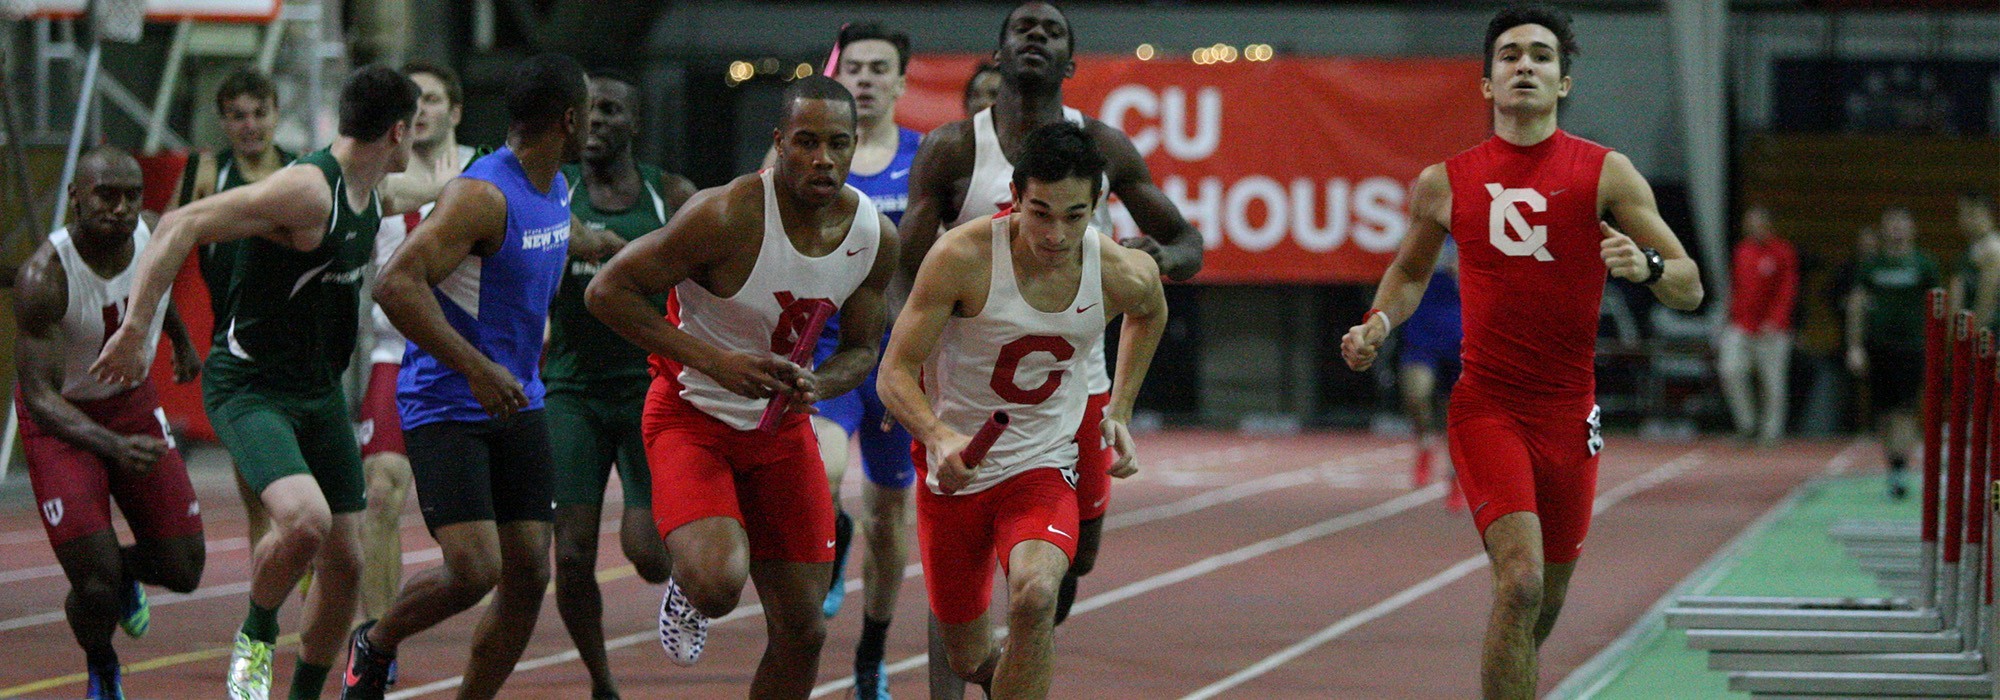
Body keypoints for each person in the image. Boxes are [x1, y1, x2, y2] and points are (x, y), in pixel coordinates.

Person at [1339, 5, 1703, 697]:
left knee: (1540, 609)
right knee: (1521, 583)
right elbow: (1409, 273)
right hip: (1488, 408)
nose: (1525, 66)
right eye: (1509, 56)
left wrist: (1648, 265)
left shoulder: (1607, 173)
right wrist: (1377, 324)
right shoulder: (1445, 182)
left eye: (1541, 55)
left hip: (1569, 416)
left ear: (1563, 82)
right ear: (1487, 84)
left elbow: (1690, 286)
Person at [90, 65, 424, 700]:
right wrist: (137, 329)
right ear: (398, 132)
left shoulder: (373, 189)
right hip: (250, 387)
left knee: (347, 563)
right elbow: (177, 224)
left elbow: (443, 184)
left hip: (319, 393)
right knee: (304, 521)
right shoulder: (307, 190)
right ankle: (257, 632)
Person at [586, 75, 897, 699]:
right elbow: (607, 291)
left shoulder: (872, 235)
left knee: (804, 630)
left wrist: (819, 382)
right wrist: (716, 361)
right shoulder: (724, 214)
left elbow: (863, 348)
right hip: (691, 414)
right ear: (779, 143)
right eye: (806, 142)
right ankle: (689, 585)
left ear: (855, 146)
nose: (823, 159)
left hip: (780, 429)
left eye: (838, 144)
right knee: (717, 585)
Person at [340, 53, 599, 700]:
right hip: (448, 400)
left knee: (528, 573)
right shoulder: (481, 195)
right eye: (590, 109)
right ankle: (375, 640)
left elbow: (580, 238)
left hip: (519, 401)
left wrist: (672, 257)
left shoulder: (555, 187)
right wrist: (478, 368)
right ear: (570, 120)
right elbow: (395, 284)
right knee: (473, 570)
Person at [881, 120, 1165, 700]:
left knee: (1036, 596)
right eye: (1040, 212)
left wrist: (1120, 407)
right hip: (956, 472)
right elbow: (894, 372)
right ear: (1014, 196)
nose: (1056, 234)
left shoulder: (1118, 269)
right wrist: (936, 435)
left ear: (1098, 205)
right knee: (967, 657)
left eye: (1074, 216)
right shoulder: (961, 257)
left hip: (1042, 464)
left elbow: (1150, 310)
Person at [18, 147, 205, 700]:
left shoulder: (150, 231)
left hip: (131, 401)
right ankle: (102, 664)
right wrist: (113, 445)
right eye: (106, 195)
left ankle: (122, 574)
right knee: (94, 587)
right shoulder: (44, 277)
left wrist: (180, 339)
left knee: (185, 568)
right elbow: (39, 397)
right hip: (63, 419)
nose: (120, 207)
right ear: (76, 197)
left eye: (131, 195)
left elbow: (154, 285)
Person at [549, 69, 695, 700]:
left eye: (610, 110)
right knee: (571, 553)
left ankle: (686, 582)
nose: (596, 120)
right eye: (588, 109)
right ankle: (601, 682)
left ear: (635, 122)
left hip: (648, 389)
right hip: (571, 390)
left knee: (651, 556)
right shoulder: (554, 192)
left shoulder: (671, 196)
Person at [352, 59, 484, 622]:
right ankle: (375, 637)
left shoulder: (487, 173)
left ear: (455, 111)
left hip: (478, 358)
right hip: (399, 354)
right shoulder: (376, 179)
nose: (421, 110)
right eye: (412, 101)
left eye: (432, 99)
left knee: (499, 528)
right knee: (381, 493)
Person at [169, 67, 295, 551]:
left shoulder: (303, 172)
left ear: (276, 114)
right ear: (223, 121)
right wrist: (169, 333)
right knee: (257, 486)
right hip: (237, 342)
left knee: (306, 470)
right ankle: (269, 570)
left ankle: (304, 558)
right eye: (238, 116)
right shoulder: (206, 173)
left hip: (298, 339)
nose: (250, 125)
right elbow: (164, 244)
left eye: (260, 113)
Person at [1848, 206, 1940, 500]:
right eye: (1892, 224)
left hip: (1912, 347)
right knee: (1885, 413)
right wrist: (1855, 346)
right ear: (1884, 229)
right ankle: (1893, 466)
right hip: (1879, 347)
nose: (1897, 229)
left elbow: (1940, 305)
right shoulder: (1871, 266)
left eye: (1902, 224)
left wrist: (1939, 345)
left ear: (1912, 229)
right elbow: (1856, 304)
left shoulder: (1924, 264)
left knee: (1904, 410)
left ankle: (1900, 469)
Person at [1717, 205, 1798, 447]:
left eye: (1758, 222)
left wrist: (1776, 320)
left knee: (1772, 382)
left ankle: (1771, 431)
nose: (1753, 227)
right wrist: (1728, 318)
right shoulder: (1742, 250)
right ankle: (1747, 425)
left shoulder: (1783, 251)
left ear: (1768, 224)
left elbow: (1787, 289)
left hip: (1772, 328)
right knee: (1730, 370)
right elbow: (1735, 288)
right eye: (1749, 222)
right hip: (1741, 324)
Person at [1952, 192, 1999, 332]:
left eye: (1963, 214)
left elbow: (1987, 301)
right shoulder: (1975, 247)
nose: (1960, 220)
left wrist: (1973, 336)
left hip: (1988, 335)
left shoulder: (1992, 249)